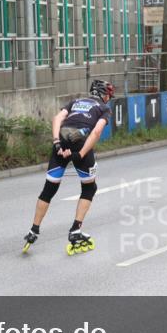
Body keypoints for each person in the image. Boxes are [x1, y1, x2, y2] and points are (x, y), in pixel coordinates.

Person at [22, 79, 114, 255]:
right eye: (109, 95)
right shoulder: (104, 108)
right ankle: (75, 229)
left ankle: (33, 230)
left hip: (62, 138)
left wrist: (56, 142)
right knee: (89, 188)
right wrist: (80, 154)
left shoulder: (75, 101)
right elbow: (96, 132)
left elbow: (57, 118)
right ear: (103, 95)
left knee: (49, 189)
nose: (109, 99)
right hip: (80, 141)